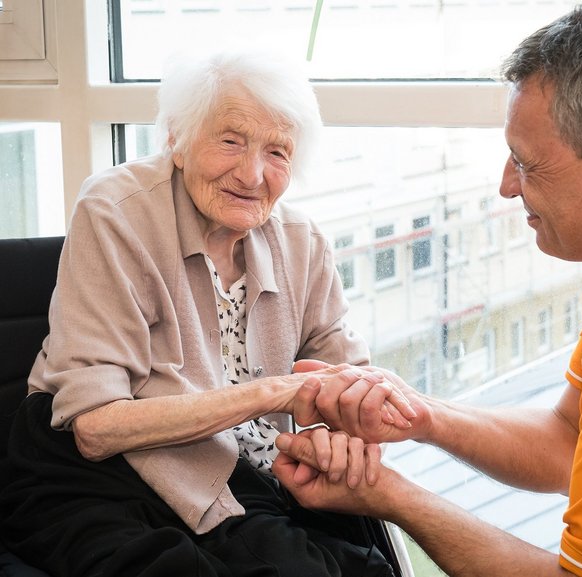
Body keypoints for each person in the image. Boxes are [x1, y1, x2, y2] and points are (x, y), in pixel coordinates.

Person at [271, 3, 582, 576]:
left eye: (527, 164)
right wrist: (421, 415)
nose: (508, 187)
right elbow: (571, 441)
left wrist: (387, 495)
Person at [0, 46, 414, 577]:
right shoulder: (116, 213)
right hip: (94, 473)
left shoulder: (300, 241)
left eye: (278, 152)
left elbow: (348, 381)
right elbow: (95, 428)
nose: (253, 173)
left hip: (238, 473)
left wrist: (337, 435)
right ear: (176, 138)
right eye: (230, 141)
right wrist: (275, 392)